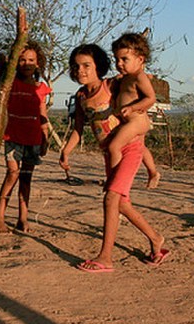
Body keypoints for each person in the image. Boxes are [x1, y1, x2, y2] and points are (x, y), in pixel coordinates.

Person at [59, 43, 168, 272]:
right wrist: (66, 151)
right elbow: (79, 129)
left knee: (111, 199)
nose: (81, 70)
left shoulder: (112, 85)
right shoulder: (80, 97)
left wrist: (140, 74)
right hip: (110, 154)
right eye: (76, 66)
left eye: (87, 65)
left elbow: (137, 80)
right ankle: (156, 239)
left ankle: (105, 257)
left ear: (99, 66)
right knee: (122, 204)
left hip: (130, 148)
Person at [0, 41, 52, 234]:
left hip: (33, 138)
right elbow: (1, 75)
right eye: (22, 59)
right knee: (12, 174)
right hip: (13, 136)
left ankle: (22, 218)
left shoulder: (41, 87)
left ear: (38, 63)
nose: (27, 63)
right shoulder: (11, 83)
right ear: (16, 62)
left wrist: (45, 137)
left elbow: (43, 115)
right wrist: (2, 63)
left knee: (26, 179)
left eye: (31, 60)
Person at [104, 33, 157, 174]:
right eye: (116, 59)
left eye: (124, 59)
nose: (119, 63)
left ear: (140, 59)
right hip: (130, 121)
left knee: (114, 147)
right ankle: (153, 172)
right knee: (140, 147)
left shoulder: (140, 77)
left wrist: (132, 107)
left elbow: (151, 98)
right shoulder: (127, 77)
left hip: (136, 121)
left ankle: (115, 177)